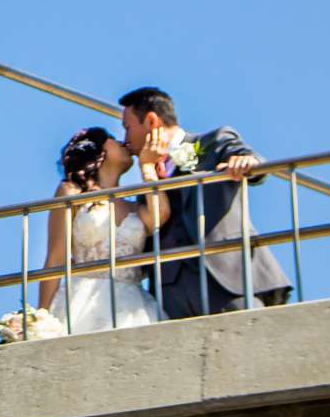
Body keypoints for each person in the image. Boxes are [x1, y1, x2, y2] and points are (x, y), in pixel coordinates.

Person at [118, 85, 293, 317]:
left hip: (226, 280)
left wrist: (246, 163)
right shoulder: (146, 172)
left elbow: (254, 162)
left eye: (127, 128)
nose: (125, 140)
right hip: (170, 293)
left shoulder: (215, 141)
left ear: (151, 121)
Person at [34, 127, 166, 335]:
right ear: (96, 150)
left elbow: (160, 216)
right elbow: (55, 258)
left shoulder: (134, 207)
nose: (123, 142)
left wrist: (147, 167)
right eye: (112, 139)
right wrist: (40, 317)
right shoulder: (71, 191)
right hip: (82, 300)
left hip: (133, 305)